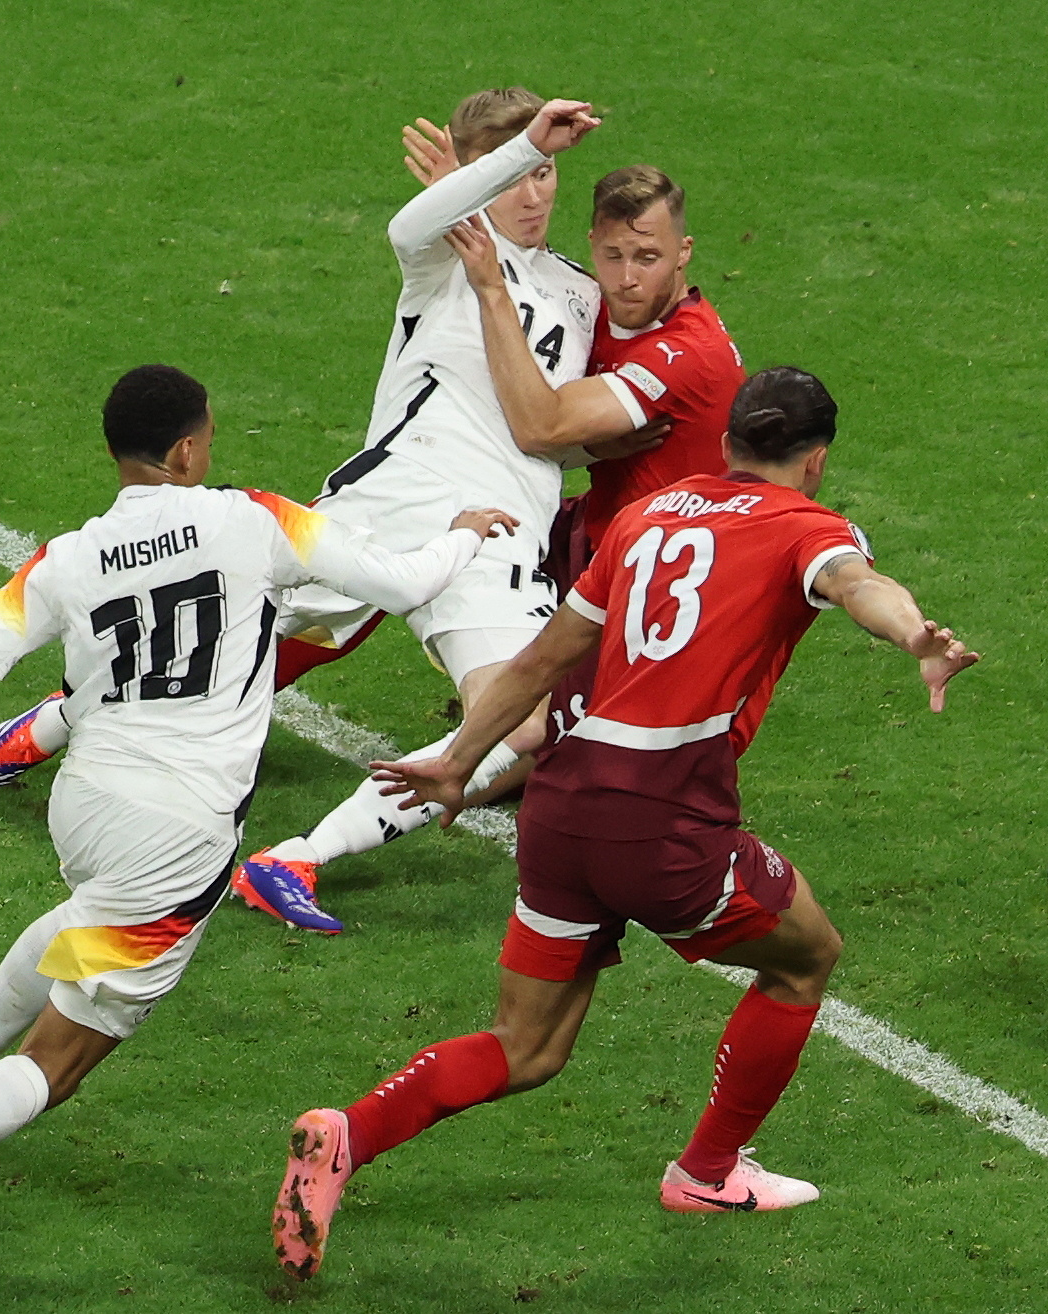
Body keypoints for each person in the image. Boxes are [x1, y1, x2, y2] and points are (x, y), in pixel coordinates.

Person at [0, 364, 514, 1277]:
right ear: (184, 450)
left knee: (79, 926)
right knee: (60, 1063)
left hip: (84, 804)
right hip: (180, 831)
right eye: (206, 440)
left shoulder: (66, 557)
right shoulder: (252, 517)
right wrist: (461, 536)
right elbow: (404, 584)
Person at [268, 367, 979, 1280]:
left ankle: (347, 1133)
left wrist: (456, 762)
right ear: (816, 461)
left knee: (526, 1046)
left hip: (559, 810)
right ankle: (707, 1174)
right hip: (662, 820)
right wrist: (914, 633)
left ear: (724, 446)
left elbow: (537, 662)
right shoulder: (810, 528)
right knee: (807, 958)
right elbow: (854, 584)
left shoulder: (652, 515)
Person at [0, 92, 636, 938]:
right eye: (516, 172)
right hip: (391, 507)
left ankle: (298, 858)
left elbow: (574, 416)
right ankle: (52, 723)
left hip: (492, 540)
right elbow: (411, 225)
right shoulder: (444, 248)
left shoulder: (577, 293)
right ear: (473, 175)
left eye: (546, 171)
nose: (536, 191)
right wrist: (491, 170)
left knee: (522, 720)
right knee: (225, 632)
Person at [238, 163, 751, 930]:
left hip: (643, 569)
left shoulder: (686, 351)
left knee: (533, 729)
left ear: (685, 253)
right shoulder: (596, 304)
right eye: (612, 255)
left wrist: (492, 270)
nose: (624, 277)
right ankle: (282, 845)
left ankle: (293, 848)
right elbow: (549, 422)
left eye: (645, 258)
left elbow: (543, 426)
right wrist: (480, 200)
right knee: (525, 721)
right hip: (577, 552)